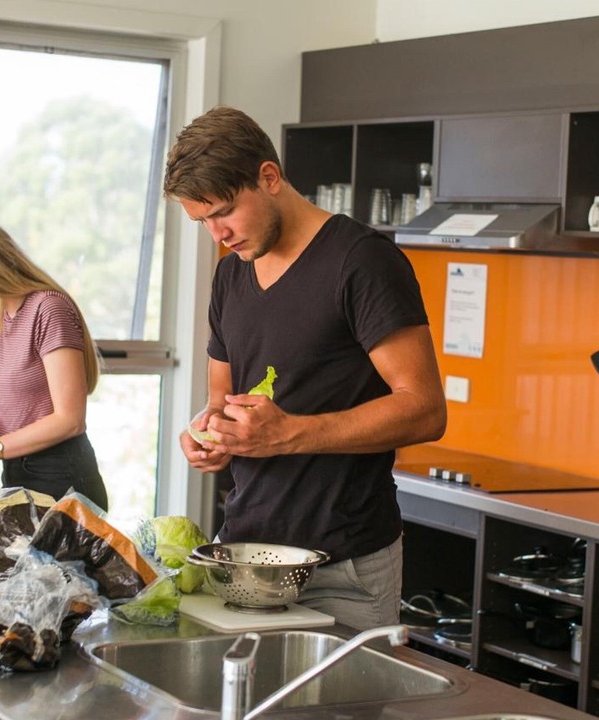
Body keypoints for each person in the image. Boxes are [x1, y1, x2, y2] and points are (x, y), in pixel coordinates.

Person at [165, 106, 447, 629]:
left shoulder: (363, 261)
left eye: (224, 212)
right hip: (245, 558)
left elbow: (426, 410)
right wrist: (209, 434)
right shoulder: (230, 277)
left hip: (344, 570)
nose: (217, 235)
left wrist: (290, 434)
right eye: (202, 221)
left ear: (268, 177)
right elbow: (221, 402)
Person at [0, 216, 109, 511]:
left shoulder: (49, 309)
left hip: (62, 477)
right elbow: (9, 386)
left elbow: (70, 420)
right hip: (16, 471)